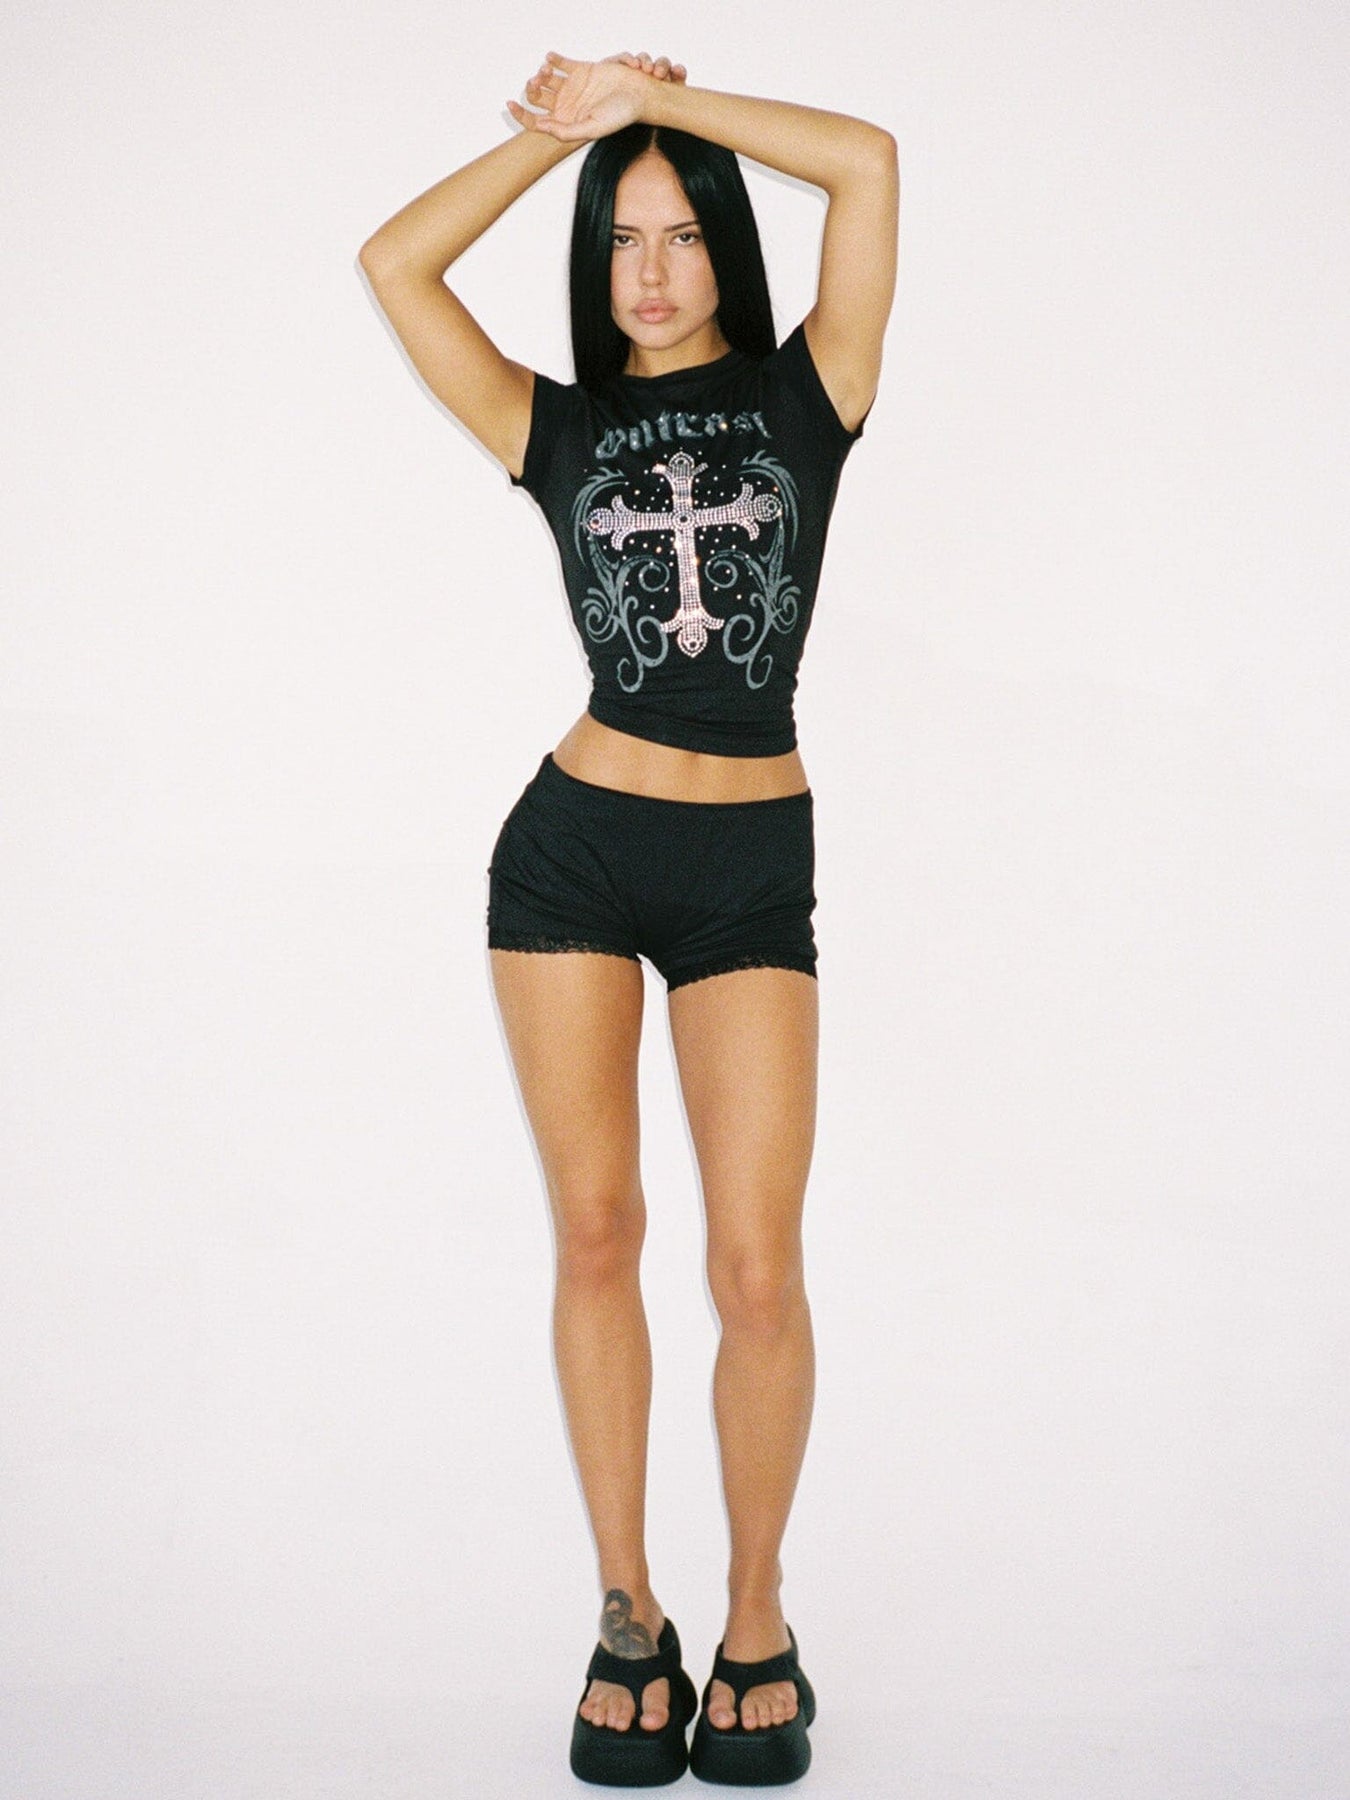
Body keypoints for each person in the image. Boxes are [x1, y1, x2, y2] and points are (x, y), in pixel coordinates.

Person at [359, 48, 897, 1786]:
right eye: (620, 241)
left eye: (678, 235)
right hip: (573, 857)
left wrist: (668, 101)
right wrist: (559, 139)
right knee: (595, 1234)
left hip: (747, 874)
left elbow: (867, 160)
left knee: (755, 1267)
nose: (649, 272)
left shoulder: (810, 390)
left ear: (723, 245)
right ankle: (625, 1614)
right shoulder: (557, 427)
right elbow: (392, 264)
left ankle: (755, 1619)